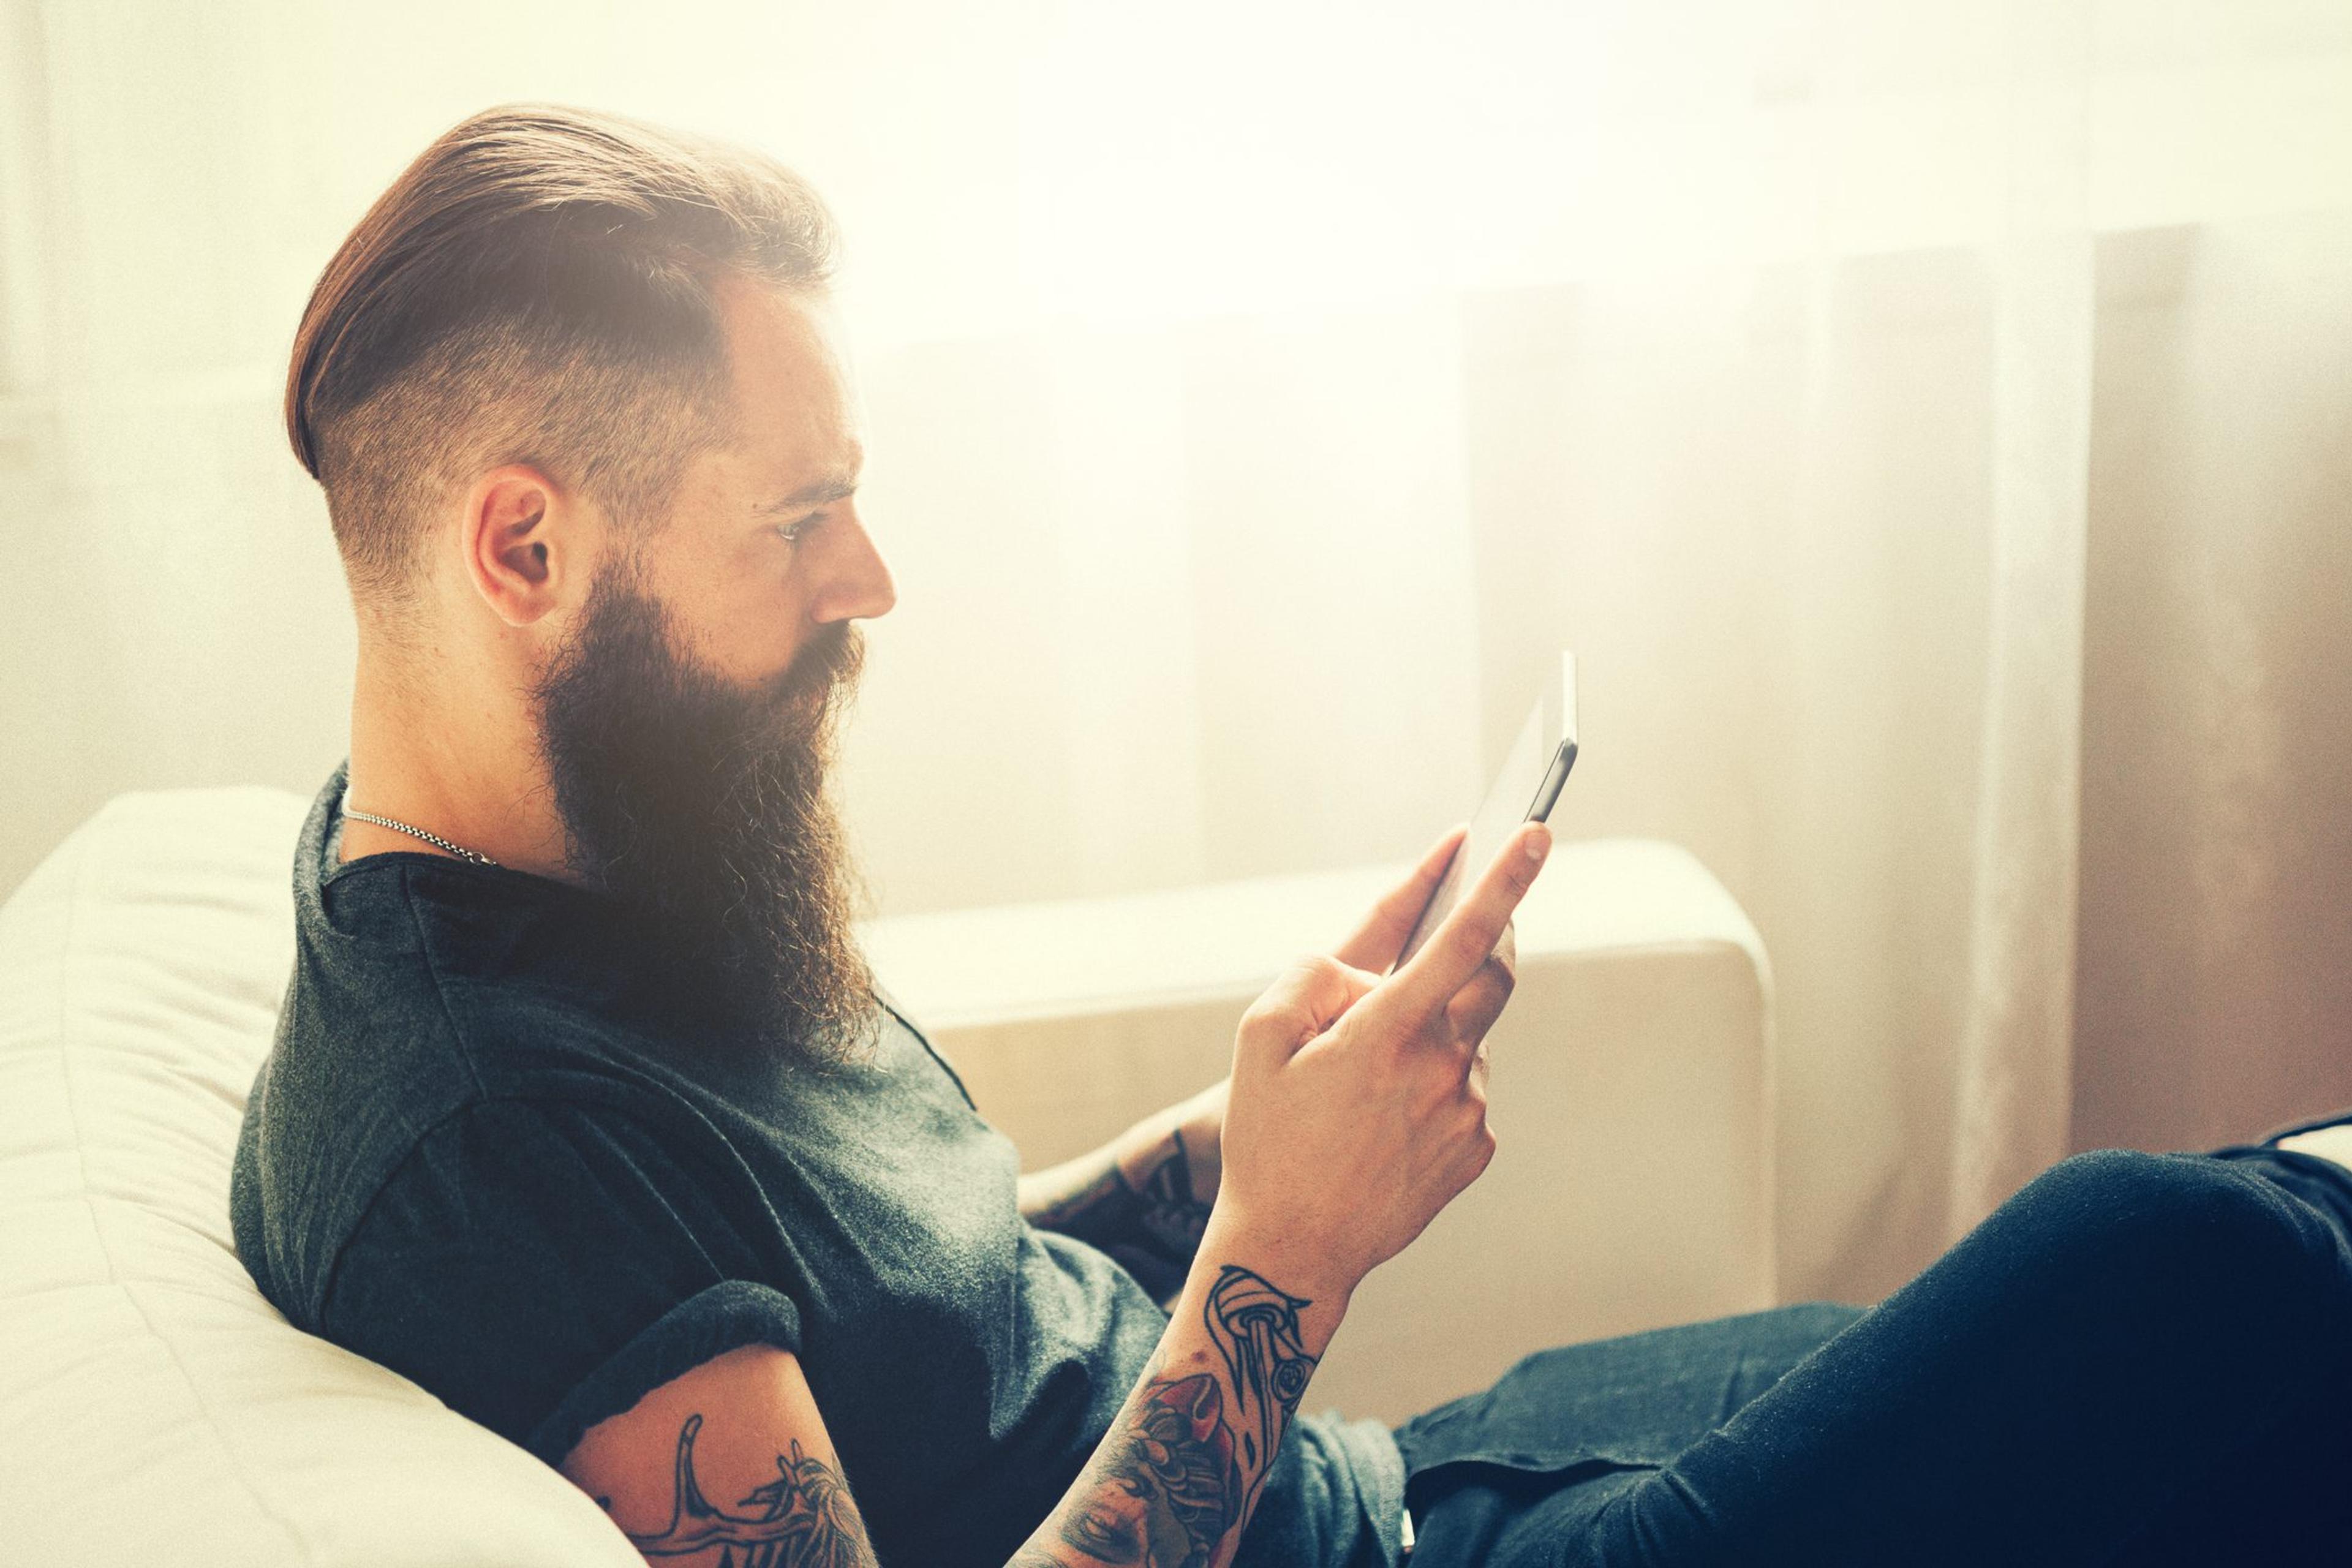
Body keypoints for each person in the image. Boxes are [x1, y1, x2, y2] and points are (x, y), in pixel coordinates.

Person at [230, 104, 2352, 1568]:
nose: (869, 579)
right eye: (799, 519)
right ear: (523, 543)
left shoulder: (549, 847)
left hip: (1396, 1490)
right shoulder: (475, 1149)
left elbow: (885, 1308)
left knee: (2214, 1406)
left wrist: (1247, 1137)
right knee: (2185, 1277)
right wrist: (1291, 1255)